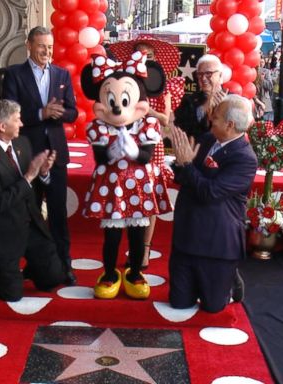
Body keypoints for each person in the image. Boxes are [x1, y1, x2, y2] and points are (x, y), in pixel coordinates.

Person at [80, 51, 172, 299]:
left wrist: (133, 151)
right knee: (111, 236)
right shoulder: (99, 128)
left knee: (136, 234)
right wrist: (111, 152)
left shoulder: (148, 125)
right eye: (111, 99)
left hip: (138, 189)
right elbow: (99, 158)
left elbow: (145, 156)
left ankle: (133, 272)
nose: (118, 106)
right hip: (111, 187)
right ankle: (110, 273)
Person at [2, 26, 78, 285]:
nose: (47, 51)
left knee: (58, 213)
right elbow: (8, 111)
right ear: (29, 45)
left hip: (56, 154)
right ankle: (34, 265)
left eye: (50, 47)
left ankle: (64, 266)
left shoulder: (62, 74)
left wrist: (60, 113)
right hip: (27, 155)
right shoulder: (14, 75)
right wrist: (40, 114)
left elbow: (73, 112)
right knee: (29, 214)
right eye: (42, 46)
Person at [0, 99, 68, 302]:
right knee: (12, 295)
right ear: (2, 126)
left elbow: (33, 184)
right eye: (17, 120)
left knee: (53, 278)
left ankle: (32, 267)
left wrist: (43, 173)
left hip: (30, 223)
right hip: (4, 231)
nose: (22, 124)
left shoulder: (22, 142)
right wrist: (29, 177)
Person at [169, 94, 257, 313]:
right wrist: (180, 165)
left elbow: (211, 192)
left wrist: (188, 164)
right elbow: (188, 175)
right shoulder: (208, 139)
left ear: (230, 124)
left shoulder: (245, 158)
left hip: (217, 242)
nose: (211, 120)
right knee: (179, 303)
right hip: (187, 235)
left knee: (213, 308)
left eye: (215, 117)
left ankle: (230, 279)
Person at [110, 36, 184, 268]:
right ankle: (130, 247)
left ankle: (144, 250)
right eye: (138, 54)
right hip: (126, 144)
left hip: (153, 146)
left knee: (148, 198)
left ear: (155, 58)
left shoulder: (164, 86)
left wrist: (142, 108)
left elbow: (164, 120)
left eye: (148, 55)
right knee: (126, 193)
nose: (143, 59)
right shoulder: (124, 84)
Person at [174, 54, 228, 140]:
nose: (203, 78)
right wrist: (203, 109)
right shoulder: (188, 101)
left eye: (208, 73)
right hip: (197, 150)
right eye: (200, 74)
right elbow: (181, 129)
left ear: (220, 75)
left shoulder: (232, 99)